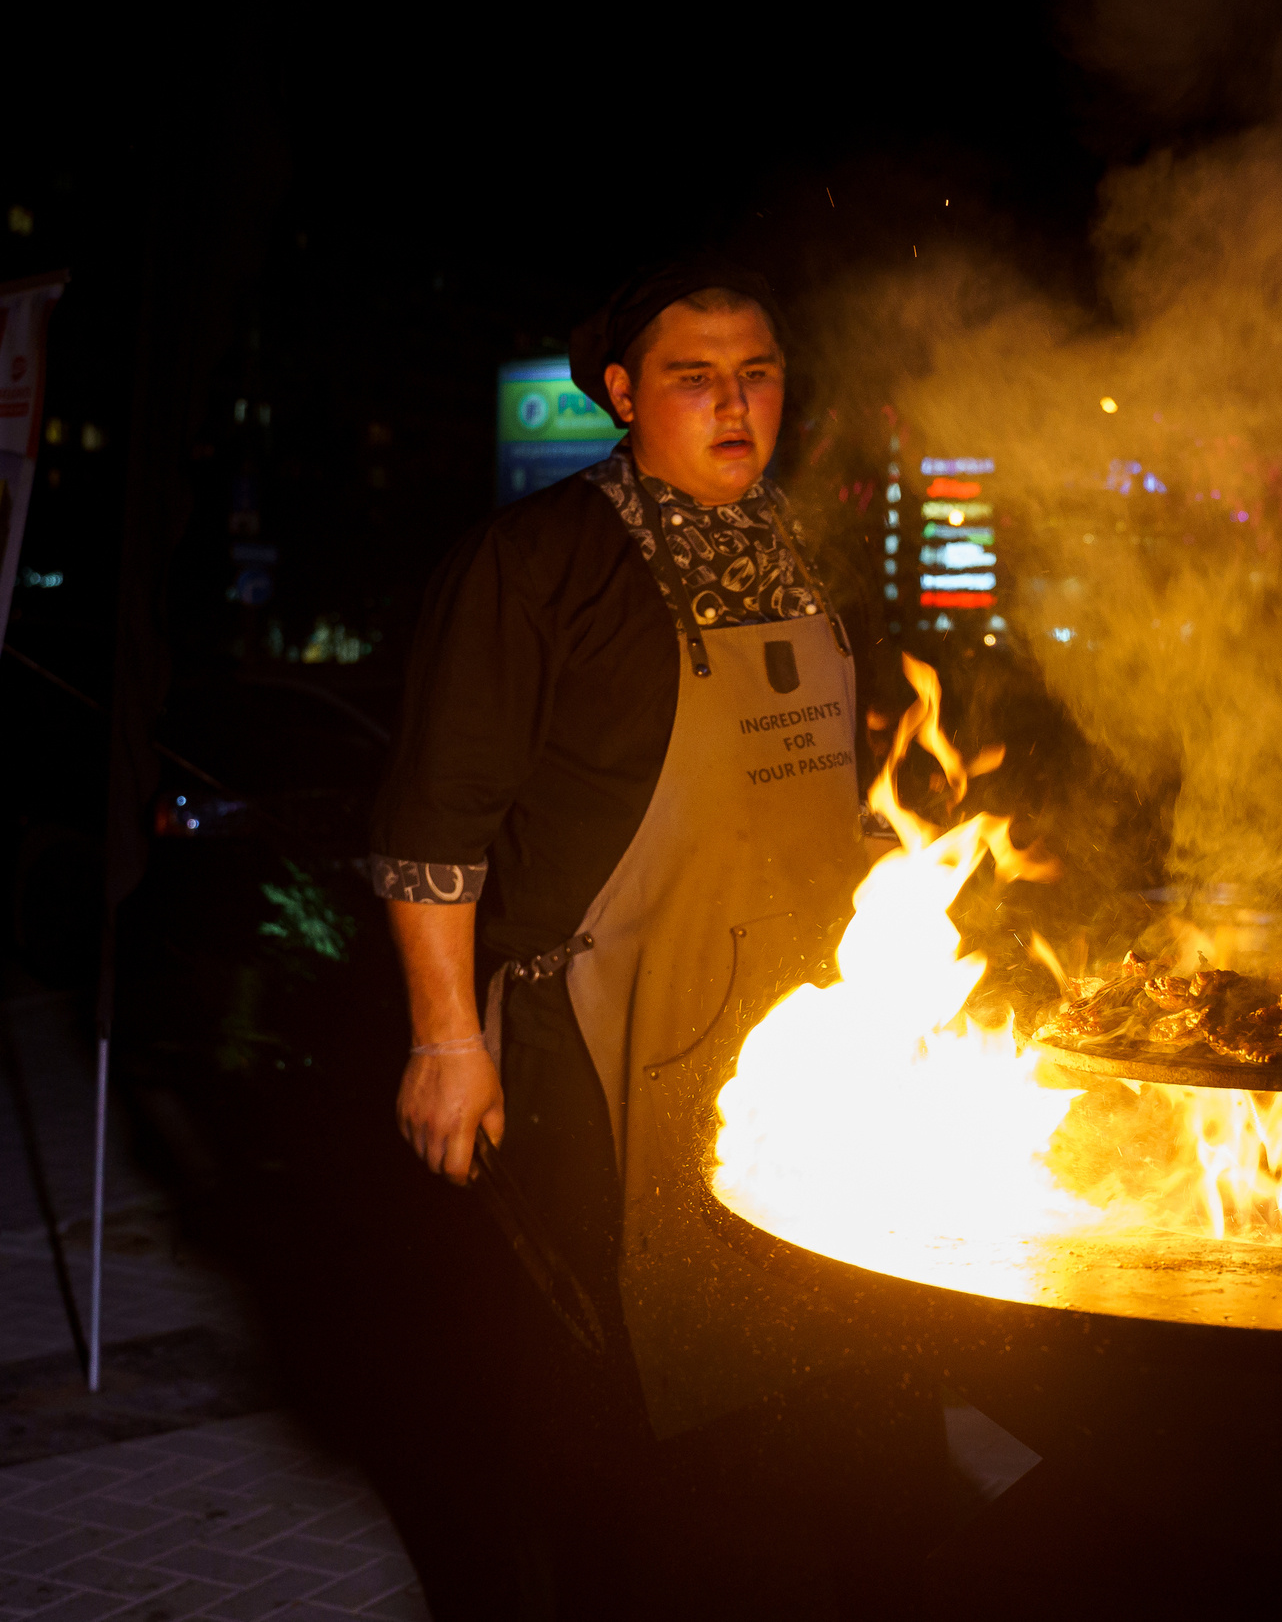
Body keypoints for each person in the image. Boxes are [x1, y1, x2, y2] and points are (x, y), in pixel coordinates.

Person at [371, 257, 933, 1617]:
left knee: (830, 1387)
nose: (735, 407)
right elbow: (433, 826)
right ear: (623, 395)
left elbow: (861, 796)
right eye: (696, 379)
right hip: (600, 1050)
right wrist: (447, 1042)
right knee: (620, 1418)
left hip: (805, 1039)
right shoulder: (532, 564)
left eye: (759, 376)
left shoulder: (814, 555)